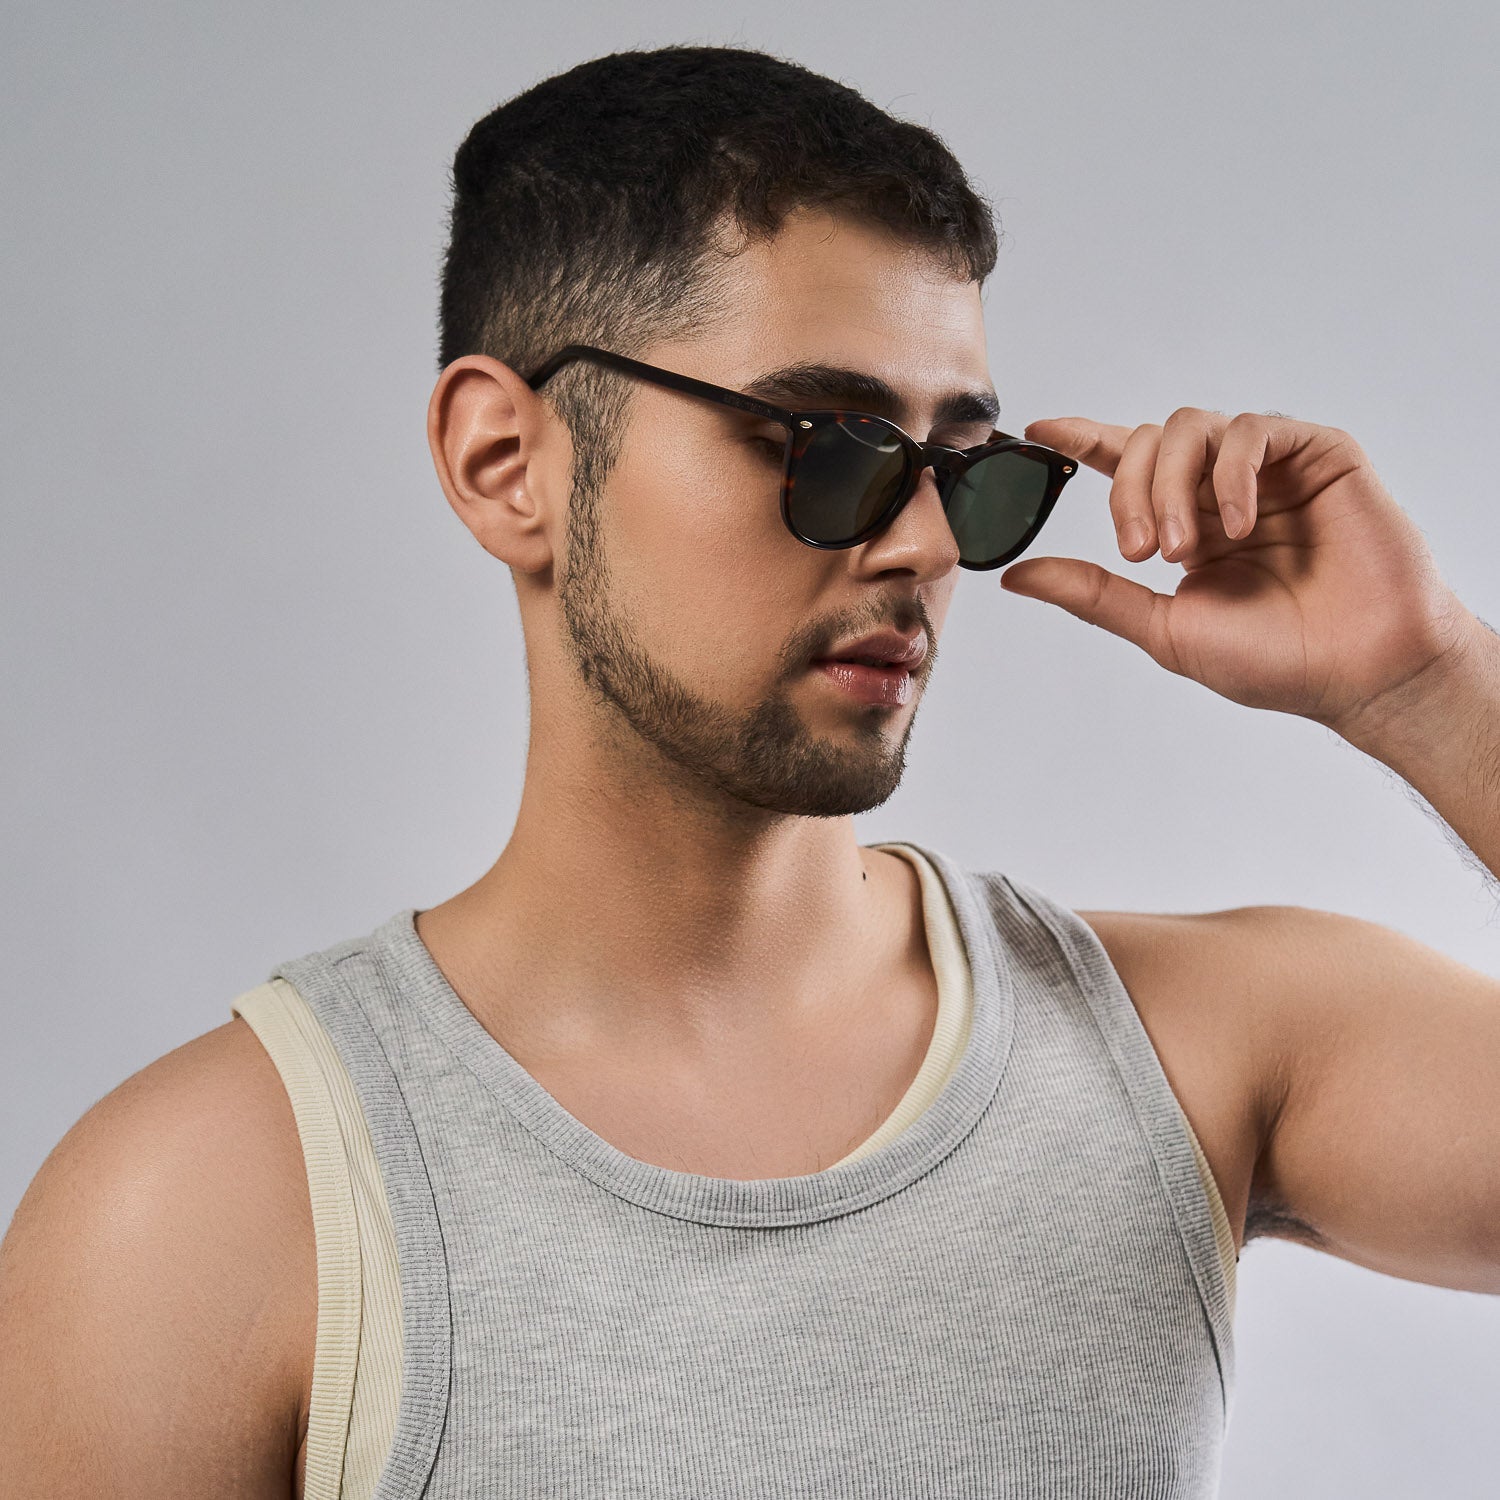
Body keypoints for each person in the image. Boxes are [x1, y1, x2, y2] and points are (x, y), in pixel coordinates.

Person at [2, 42, 1497, 1500]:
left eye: (962, 468)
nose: (922, 545)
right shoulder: (205, 1209)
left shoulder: (1195, 1049)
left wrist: (1427, 686)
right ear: (506, 461)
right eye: (824, 445)